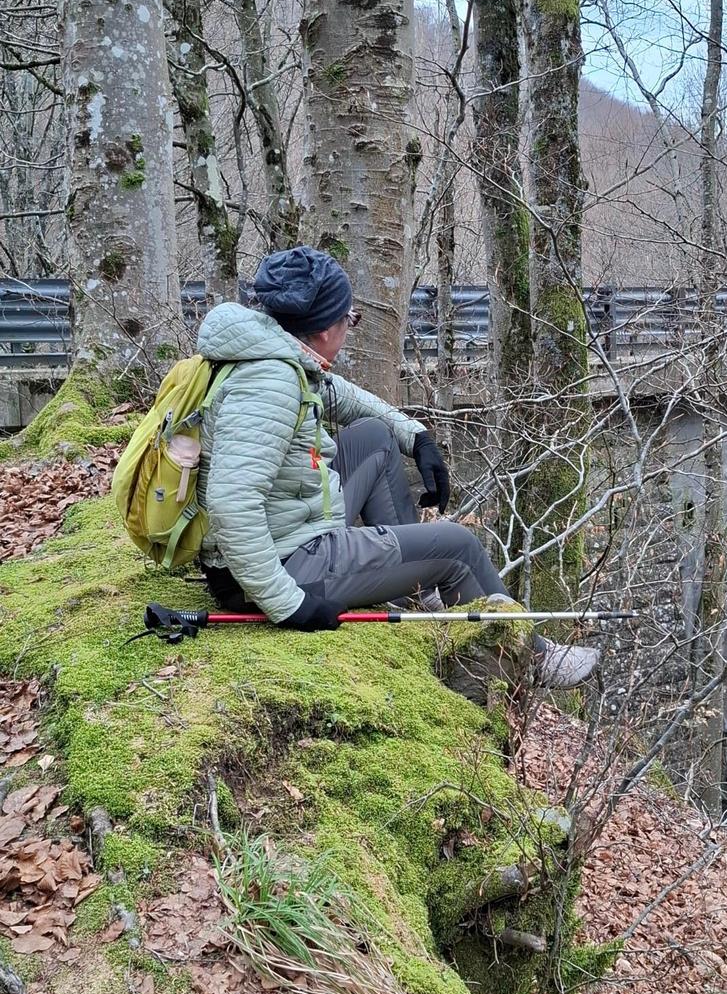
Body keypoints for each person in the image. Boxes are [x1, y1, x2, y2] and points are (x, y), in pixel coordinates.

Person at [196, 246, 599, 687]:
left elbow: (343, 396)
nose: (349, 329)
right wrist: (287, 603)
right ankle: (531, 660)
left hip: (287, 534)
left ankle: (415, 590)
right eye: (349, 319)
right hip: (281, 566)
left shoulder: (274, 355)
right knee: (458, 547)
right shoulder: (269, 383)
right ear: (325, 329)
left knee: (375, 437)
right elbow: (231, 502)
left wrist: (416, 437)